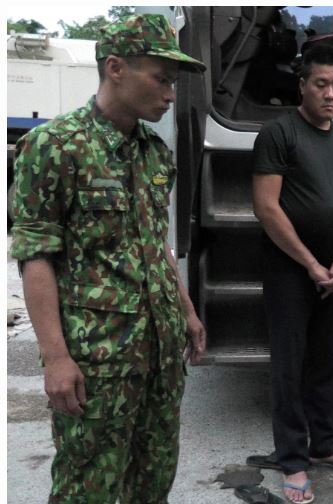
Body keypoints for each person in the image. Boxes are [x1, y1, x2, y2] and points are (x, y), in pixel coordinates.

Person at [10, 14, 207, 503]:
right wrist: (55, 358)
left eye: (174, 83)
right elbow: (35, 256)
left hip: (160, 357)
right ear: (116, 68)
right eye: (162, 79)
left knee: (153, 482)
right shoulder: (55, 147)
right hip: (98, 363)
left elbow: (155, 240)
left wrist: (185, 310)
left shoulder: (154, 153)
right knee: (88, 488)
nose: (170, 94)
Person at [252, 43, 333, 504]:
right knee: (290, 366)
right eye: (321, 84)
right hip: (290, 270)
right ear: (303, 85)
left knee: (327, 361)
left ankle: (324, 445)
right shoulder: (279, 134)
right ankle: (293, 461)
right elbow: (266, 207)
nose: (331, 94)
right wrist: (311, 264)